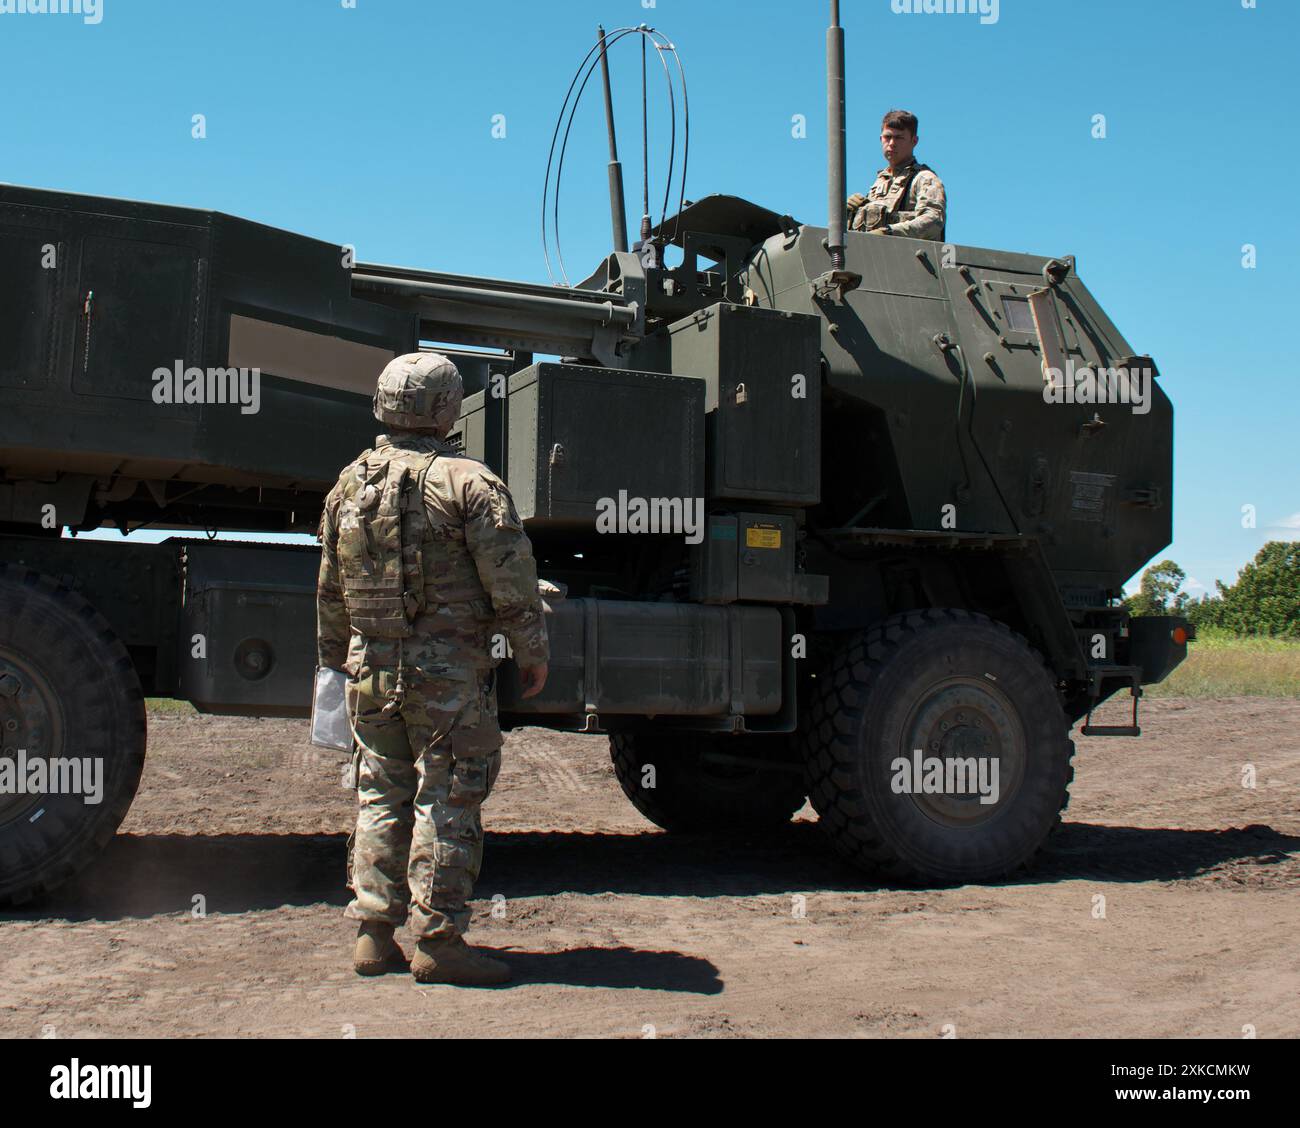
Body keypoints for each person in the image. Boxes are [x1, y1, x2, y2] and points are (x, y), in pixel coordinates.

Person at [317, 352, 549, 986]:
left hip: (371, 667)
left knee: (378, 794)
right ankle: (440, 943)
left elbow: (331, 589)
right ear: (447, 409)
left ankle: (372, 935)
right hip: (448, 678)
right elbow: (512, 583)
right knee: (446, 800)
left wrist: (332, 662)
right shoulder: (469, 483)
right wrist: (531, 649)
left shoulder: (347, 485)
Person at [847, 109, 947, 241]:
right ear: (880, 139)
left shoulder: (924, 178)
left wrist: (889, 233)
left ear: (914, 141)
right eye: (887, 137)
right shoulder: (879, 184)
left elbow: (933, 220)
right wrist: (850, 213)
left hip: (908, 258)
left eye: (899, 138)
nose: (892, 143)